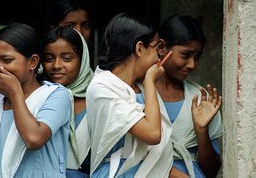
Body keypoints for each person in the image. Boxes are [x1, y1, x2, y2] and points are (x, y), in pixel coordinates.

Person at [0, 23, 71, 177]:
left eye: (6, 60)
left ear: (32, 62)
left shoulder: (56, 95)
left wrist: (15, 92)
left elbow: (34, 139)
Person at [86, 12, 175, 178]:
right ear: (139, 48)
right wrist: (150, 81)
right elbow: (153, 134)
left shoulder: (141, 87)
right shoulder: (102, 87)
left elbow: (156, 152)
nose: (159, 57)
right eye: (157, 49)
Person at [155, 14, 223, 178]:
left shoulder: (201, 99)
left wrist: (201, 130)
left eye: (197, 57)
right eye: (186, 55)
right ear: (162, 47)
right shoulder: (137, 92)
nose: (192, 64)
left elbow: (211, 171)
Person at [42, 26, 93, 177]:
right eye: (49, 59)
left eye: (67, 58)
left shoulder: (100, 96)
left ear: (82, 59)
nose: (57, 65)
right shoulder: (38, 97)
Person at [46, 0, 96, 69]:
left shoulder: (98, 79)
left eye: (85, 26)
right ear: (53, 29)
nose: (79, 33)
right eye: (70, 26)